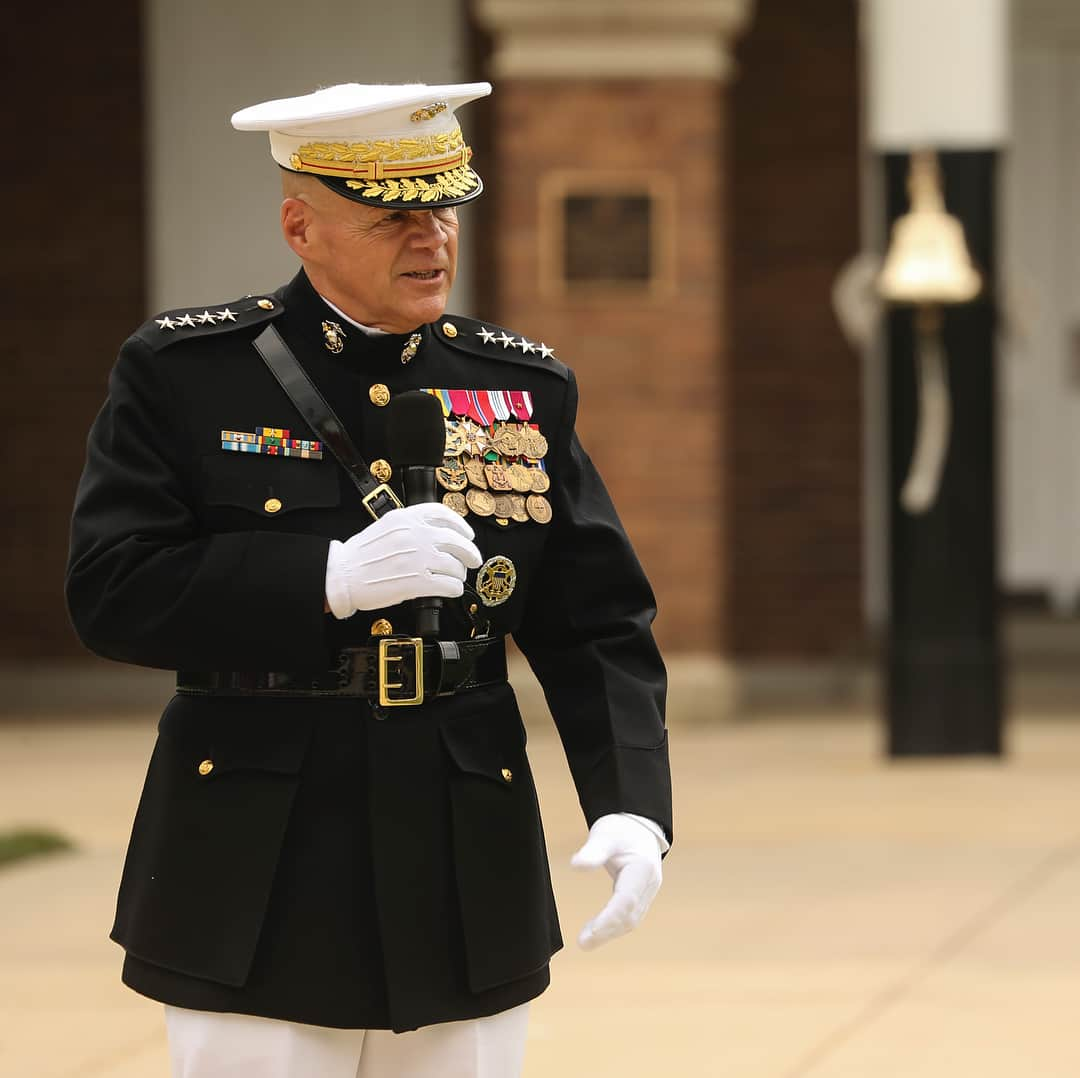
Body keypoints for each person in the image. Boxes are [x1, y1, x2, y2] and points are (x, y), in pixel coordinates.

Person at [65, 81, 672, 1078]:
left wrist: (632, 802)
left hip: (462, 858)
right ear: (301, 225)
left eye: (445, 206)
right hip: (254, 869)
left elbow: (596, 620)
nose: (432, 236)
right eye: (394, 213)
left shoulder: (518, 386)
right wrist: (323, 578)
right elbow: (110, 588)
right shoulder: (187, 373)